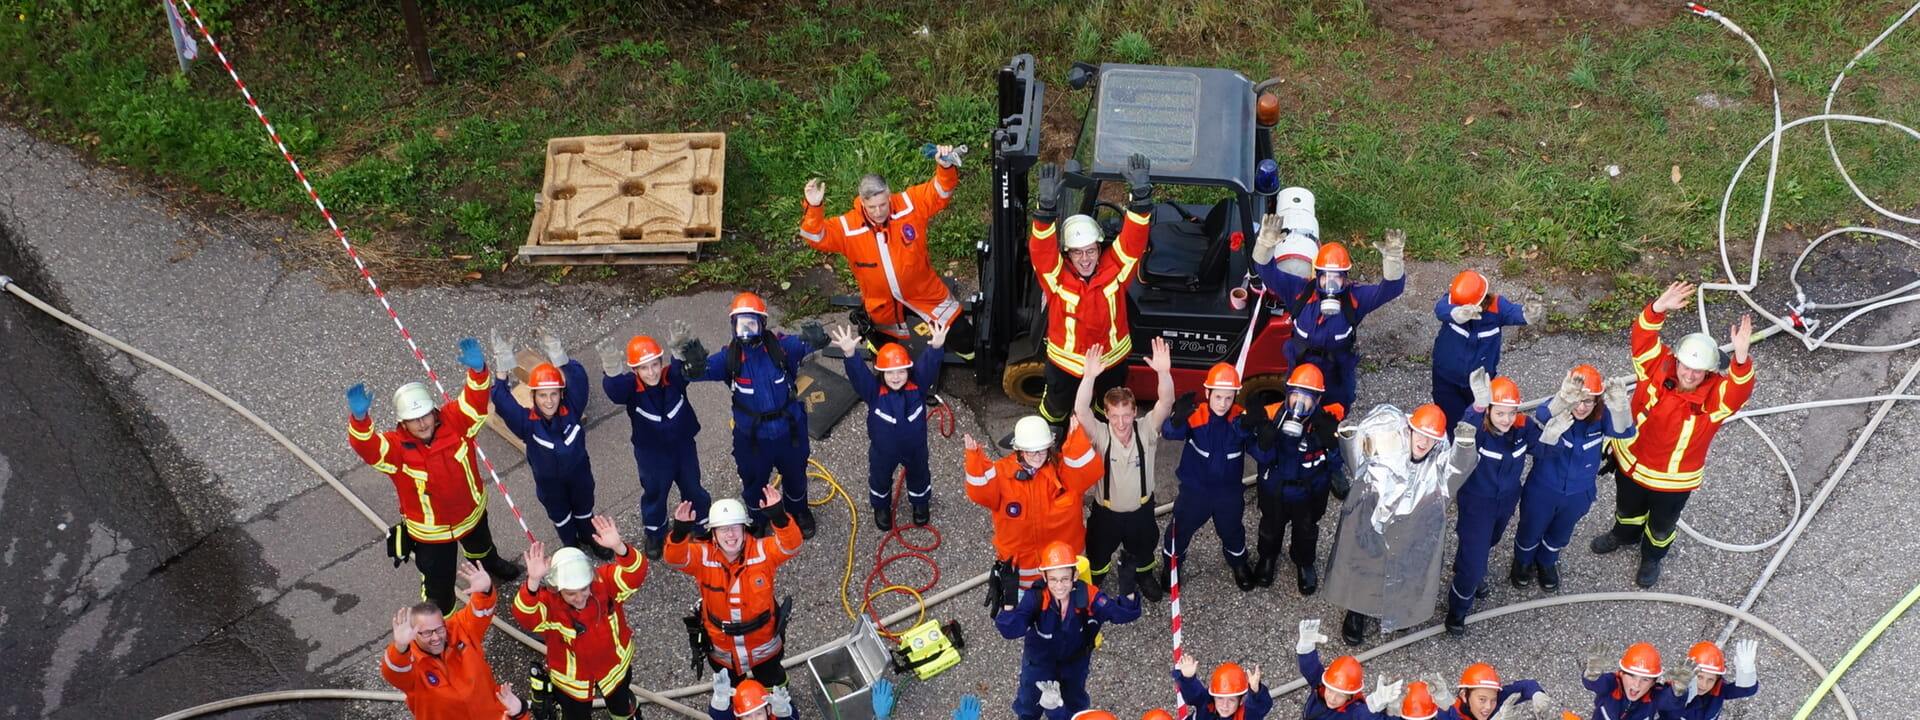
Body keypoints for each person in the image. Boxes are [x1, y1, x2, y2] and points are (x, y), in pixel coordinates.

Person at [1591, 281, 1755, 587]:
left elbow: (1738, 390)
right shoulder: (1656, 368)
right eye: (1686, 366)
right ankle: (1623, 535)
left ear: (1708, 372)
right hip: (1630, 463)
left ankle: (1652, 556)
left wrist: (1741, 359)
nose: (1690, 374)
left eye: (1698, 371)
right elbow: (1642, 338)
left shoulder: (1714, 400)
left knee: (1662, 526)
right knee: (1627, 509)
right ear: (1676, 359)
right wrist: (1657, 309)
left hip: (1672, 482)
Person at [347, 337, 522, 616]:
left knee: (482, 548)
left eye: (425, 415)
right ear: (402, 423)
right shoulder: (395, 449)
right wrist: (360, 420)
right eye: (414, 420)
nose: (422, 423)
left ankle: (491, 567)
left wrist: (478, 372)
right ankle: (445, 627)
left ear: (434, 412)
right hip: (432, 535)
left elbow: (476, 402)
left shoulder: (456, 421)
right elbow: (367, 448)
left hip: (472, 514)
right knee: (439, 587)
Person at [800, 145, 976, 359]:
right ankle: (878, 347)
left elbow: (940, 191)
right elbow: (814, 236)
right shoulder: (848, 227)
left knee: (964, 337)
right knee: (884, 345)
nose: (878, 212)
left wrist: (945, 166)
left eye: (883, 204)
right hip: (882, 305)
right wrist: (813, 206)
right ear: (862, 201)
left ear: (889, 195)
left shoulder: (910, 205)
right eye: (872, 207)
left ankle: (975, 357)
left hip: (925, 292)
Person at [1322, 404, 1478, 645]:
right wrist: (1349, 436)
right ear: (1410, 428)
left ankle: (1397, 614)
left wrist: (1465, 444)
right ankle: (1357, 612)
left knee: (1405, 576)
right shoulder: (1385, 447)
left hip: (1411, 535)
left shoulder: (1439, 465)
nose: (1424, 442)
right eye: (1421, 434)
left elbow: (1459, 468)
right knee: (1365, 572)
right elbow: (1358, 461)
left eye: (1431, 438)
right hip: (1371, 529)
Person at [678, 292, 827, 538]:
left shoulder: (781, 348)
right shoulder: (730, 357)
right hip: (752, 438)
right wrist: (692, 366)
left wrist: (817, 340)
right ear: (733, 326)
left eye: (751, 323)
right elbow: (697, 373)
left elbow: (806, 343)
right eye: (740, 324)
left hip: (789, 432)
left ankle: (798, 511)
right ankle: (757, 519)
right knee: (753, 481)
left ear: (763, 324)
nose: (745, 330)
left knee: (795, 475)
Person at [1028, 154, 1155, 433]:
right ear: (1067, 254)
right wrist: (1044, 211)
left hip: (1111, 362)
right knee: (1055, 408)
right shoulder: (1056, 278)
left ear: (1100, 250)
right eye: (1077, 252)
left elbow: (1133, 242)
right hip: (1066, 365)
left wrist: (1141, 202)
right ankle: (1049, 441)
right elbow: (1041, 251)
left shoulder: (1116, 270)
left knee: (1106, 405)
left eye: (1090, 251)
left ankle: (1100, 436)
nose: (1085, 259)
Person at [666, 491, 804, 698]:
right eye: (723, 529)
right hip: (722, 648)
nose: (730, 534)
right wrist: (679, 534)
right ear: (713, 533)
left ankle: (781, 705)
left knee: (773, 682)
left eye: (735, 527)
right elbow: (674, 559)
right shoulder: (702, 556)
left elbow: (791, 545)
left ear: (744, 528)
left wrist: (780, 517)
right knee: (733, 691)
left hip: (763, 643)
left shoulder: (763, 551)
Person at [1252, 229, 1406, 412]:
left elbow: (1392, 288)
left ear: (1345, 278)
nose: (1330, 282)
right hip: (1301, 370)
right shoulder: (1299, 292)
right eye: (1325, 276)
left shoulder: (1355, 299)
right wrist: (1264, 245)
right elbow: (1265, 271)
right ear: (1317, 274)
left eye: (1337, 277)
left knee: (1336, 413)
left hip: (1337, 373)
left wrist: (1394, 258)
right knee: (1298, 411)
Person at [512, 516, 649, 720]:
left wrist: (620, 547)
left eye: (583, 589)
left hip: (615, 668)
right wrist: (533, 581)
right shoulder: (549, 603)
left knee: (623, 710)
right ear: (557, 588)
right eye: (571, 593)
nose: (579, 598)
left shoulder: (605, 583)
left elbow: (635, 573)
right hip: (573, 682)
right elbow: (525, 616)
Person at [1511, 366, 1633, 592]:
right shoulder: (1558, 408)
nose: (1581, 407)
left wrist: (1621, 409)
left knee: (1561, 532)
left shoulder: (1601, 416)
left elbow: (1624, 432)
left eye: (1589, 401)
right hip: (1543, 489)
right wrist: (1563, 399)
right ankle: (1522, 561)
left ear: (1597, 401)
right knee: (1530, 528)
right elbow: (1542, 414)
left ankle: (1546, 562)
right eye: (1578, 399)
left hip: (1578, 494)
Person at [492, 331, 609, 561]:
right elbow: (503, 402)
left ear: (561, 393)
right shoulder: (527, 424)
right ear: (533, 396)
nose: (549, 401)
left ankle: (589, 536)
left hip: (579, 476)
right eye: (542, 395)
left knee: (585, 509)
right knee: (561, 517)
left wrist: (559, 355)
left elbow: (579, 379)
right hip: (550, 485)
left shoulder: (573, 408)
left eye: (554, 394)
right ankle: (571, 544)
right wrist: (502, 370)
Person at [996, 541, 1142, 720]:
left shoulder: (1088, 596)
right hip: (1039, 665)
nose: (1059, 586)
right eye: (1053, 579)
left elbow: (1121, 614)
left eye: (1065, 579)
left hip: (1075, 664)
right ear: (1044, 576)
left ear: (1075, 575)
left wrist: (1128, 588)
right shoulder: (1036, 598)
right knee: (1029, 703)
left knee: (1073, 707)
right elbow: (1011, 630)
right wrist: (1009, 600)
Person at [1074, 339, 1173, 600]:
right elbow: (1081, 410)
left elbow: (1166, 402)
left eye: (1126, 415)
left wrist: (1163, 372)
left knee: (1143, 548)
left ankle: (1143, 575)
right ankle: (1096, 580)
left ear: (1135, 412)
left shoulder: (1147, 430)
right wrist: (1088, 377)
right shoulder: (1100, 434)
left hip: (1141, 511)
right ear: (1106, 414)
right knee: (1097, 553)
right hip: (1106, 514)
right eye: (1115, 415)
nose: (1121, 422)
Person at [599, 333, 712, 560]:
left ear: (662, 363)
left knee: (692, 487)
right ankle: (655, 531)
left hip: (683, 448)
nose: (651, 372)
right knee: (655, 493)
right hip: (652, 455)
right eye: (643, 368)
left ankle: (700, 523)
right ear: (635, 371)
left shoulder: (673, 377)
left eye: (655, 365)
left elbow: (684, 371)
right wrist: (611, 371)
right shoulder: (630, 389)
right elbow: (615, 392)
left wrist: (680, 352)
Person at [966, 416, 1102, 601]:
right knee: (1030, 615)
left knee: (1068, 615)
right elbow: (980, 493)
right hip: (1023, 573)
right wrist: (975, 460)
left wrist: (1076, 439)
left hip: (1064, 569)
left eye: (1041, 450)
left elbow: (1089, 471)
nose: (1037, 456)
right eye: (1031, 452)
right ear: (1019, 450)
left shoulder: (1064, 471)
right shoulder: (1002, 474)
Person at [1443, 371, 1539, 636]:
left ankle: (1465, 565)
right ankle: (1458, 609)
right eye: (1500, 413)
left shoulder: (1523, 427)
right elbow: (1463, 435)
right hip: (1477, 504)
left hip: (1505, 502)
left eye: (1511, 412)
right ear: (1489, 411)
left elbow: (1542, 449)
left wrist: (1552, 431)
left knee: (1490, 542)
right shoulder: (1480, 432)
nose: (1507, 419)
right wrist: (1477, 406)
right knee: (1474, 568)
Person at [832, 320, 949, 531]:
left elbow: (928, 365)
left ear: (908, 371)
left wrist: (936, 347)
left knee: (920, 475)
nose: (896, 377)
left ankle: (920, 504)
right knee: (880, 478)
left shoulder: (918, 387)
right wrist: (850, 354)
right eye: (890, 373)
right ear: (881, 374)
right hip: (883, 452)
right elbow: (859, 375)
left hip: (916, 450)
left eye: (901, 371)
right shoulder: (874, 393)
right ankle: (881, 506)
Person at [1247, 363, 1346, 595]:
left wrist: (1332, 445)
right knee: (1270, 528)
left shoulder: (1326, 423)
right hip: (1276, 489)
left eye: (1307, 397)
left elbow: (1338, 462)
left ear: (1318, 399)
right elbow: (1259, 455)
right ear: (1288, 394)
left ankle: (1304, 563)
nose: (1299, 403)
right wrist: (1265, 440)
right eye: (1295, 395)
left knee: (1306, 531)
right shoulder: (1273, 416)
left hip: (1309, 492)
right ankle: (1268, 558)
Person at [1161, 363, 1258, 591]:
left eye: (1228, 398)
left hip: (1229, 492)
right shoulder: (1196, 416)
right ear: (1207, 393)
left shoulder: (1240, 420)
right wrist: (1176, 420)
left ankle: (1239, 563)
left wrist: (1260, 433)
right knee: (1180, 528)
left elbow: (1262, 453)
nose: (1223, 404)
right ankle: (1171, 566)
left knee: (1232, 529)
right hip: (1195, 491)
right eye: (1218, 397)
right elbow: (1169, 433)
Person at [381, 561, 511, 720]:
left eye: (439, 629)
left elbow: (481, 613)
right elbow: (394, 673)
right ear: (414, 634)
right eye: (427, 633)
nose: (436, 637)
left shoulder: (459, 629)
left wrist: (485, 591)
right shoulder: (410, 664)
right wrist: (400, 647)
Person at [1430, 271, 1529, 425]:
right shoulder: (1454, 299)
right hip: (1445, 378)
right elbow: (1440, 309)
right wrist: (1457, 312)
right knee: (1449, 419)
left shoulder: (1498, 308)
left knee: (1477, 421)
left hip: (1478, 383)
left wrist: (1528, 314)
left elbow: (1515, 313)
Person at [1293, 619, 1403, 720]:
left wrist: (1383, 709)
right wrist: (1306, 650)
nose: (1332, 698)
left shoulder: (1355, 711)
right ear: (1325, 685)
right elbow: (1310, 668)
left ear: (1350, 696)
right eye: (1330, 691)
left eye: (1340, 695)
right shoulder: (1320, 686)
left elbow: (1368, 716)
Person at [1583, 642, 1680, 720]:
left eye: (1645, 680)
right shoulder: (1611, 685)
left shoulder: (1654, 696)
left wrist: (1677, 689)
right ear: (1621, 673)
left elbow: (1669, 700)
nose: (1637, 684)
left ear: (1653, 683)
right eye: (1632, 676)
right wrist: (1592, 674)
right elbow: (1596, 683)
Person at [1675, 640, 1759, 720]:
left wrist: (1747, 674)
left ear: (1717, 680)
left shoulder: (1719, 690)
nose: (1704, 685)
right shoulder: (1674, 692)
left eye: (1710, 680)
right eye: (1700, 677)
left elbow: (1747, 690)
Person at [1175, 656, 1277, 720]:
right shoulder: (1207, 703)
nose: (1225, 705)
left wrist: (1256, 692)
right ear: (1213, 697)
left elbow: (1258, 708)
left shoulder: (1245, 716)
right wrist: (1188, 679)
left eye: (1232, 700)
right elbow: (1194, 695)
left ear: (1241, 700)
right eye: (1220, 698)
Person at [1439, 663, 1550, 720]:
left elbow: (1527, 686)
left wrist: (1536, 693)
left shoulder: (1497, 699)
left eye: (1493, 700)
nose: (1488, 706)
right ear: (1464, 696)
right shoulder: (1450, 713)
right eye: (1482, 699)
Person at [707, 672, 796, 720]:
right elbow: (719, 716)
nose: (754, 719)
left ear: (768, 709)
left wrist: (783, 712)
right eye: (747, 716)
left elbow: (792, 718)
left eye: (759, 714)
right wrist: (720, 699)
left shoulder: (776, 716)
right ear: (739, 717)